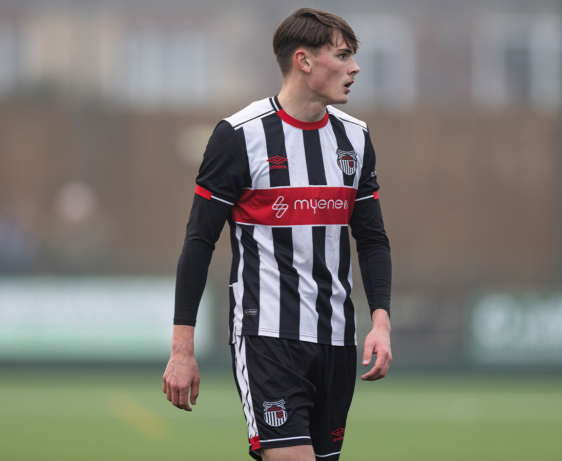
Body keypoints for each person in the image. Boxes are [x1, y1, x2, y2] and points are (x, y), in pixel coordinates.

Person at [162, 8, 392, 461]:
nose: (354, 68)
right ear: (304, 60)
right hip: (267, 337)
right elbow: (199, 242)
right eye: (342, 55)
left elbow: (372, 239)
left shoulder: (356, 139)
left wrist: (381, 323)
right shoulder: (238, 136)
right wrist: (182, 348)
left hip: (337, 340)